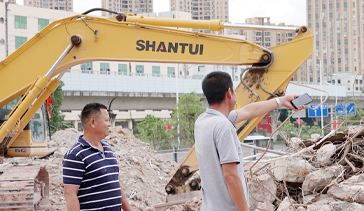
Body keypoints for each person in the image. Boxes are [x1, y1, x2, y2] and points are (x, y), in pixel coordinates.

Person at [195, 71, 303, 211]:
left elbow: (249, 111)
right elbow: (230, 176)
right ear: (229, 93)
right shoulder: (224, 126)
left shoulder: (203, 121)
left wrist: (281, 101)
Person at [63, 103, 131, 211]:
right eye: (106, 120)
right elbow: (70, 194)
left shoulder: (107, 147)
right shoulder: (76, 154)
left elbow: (115, 182)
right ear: (93, 122)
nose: (109, 124)